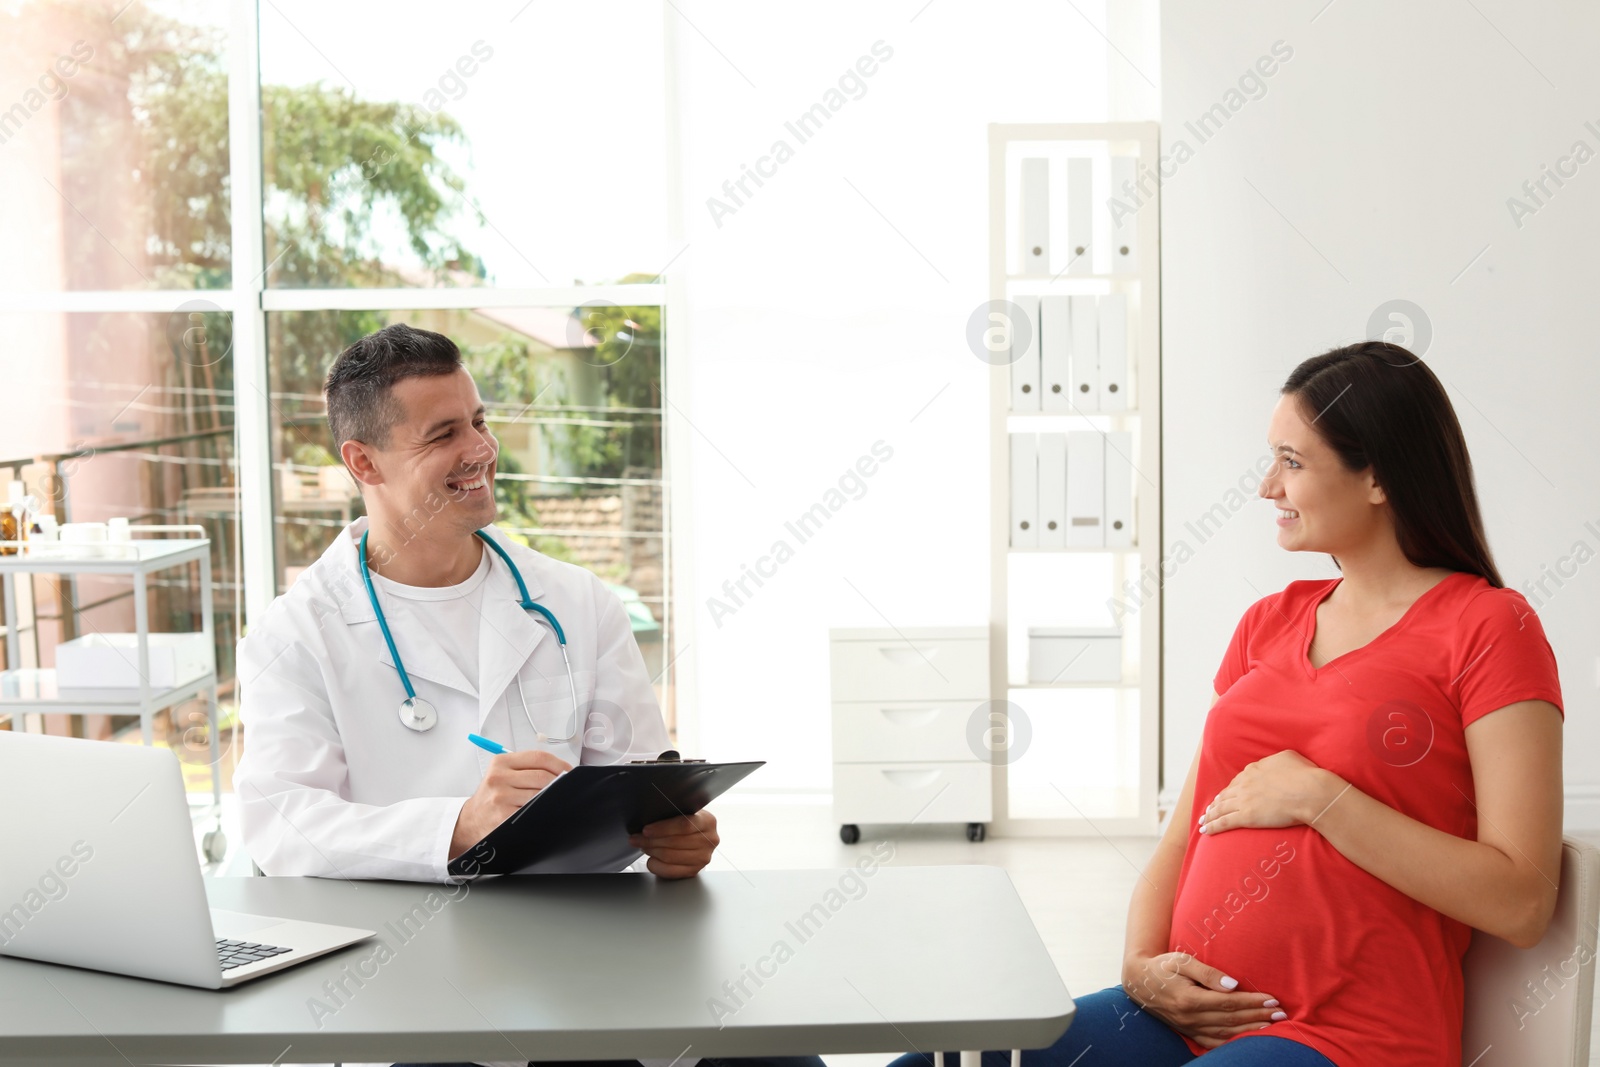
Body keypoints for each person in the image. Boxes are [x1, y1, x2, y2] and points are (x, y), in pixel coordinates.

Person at [892, 341, 1564, 1066]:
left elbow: (1521, 900)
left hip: (1350, 1038)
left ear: (1376, 475)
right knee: (932, 1062)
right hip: (1179, 1017)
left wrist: (1322, 797)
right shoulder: (1266, 623)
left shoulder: (1491, 627)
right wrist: (1141, 964)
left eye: (1292, 461)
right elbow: (1185, 834)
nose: (1267, 487)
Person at [235, 323, 824, 1067]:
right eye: (443, 432)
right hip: (411, 976)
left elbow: (637, 780)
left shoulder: (574, 602)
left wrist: (671, 834)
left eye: (478, 421)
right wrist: (457, 825)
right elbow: (282, 827)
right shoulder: (297, 632)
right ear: (363, 461)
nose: (481, 449)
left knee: (783, 1060)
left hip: (583, 961)